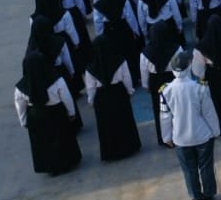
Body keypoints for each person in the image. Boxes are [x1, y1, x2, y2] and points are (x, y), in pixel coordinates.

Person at [159, 48, 220, 200]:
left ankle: (197, 199)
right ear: (189, 67)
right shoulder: (200, 87)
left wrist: (166, 137)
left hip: (181, 138)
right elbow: (209, 112)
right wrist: (215, 131)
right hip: (202, 135)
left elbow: (165, 116)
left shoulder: (166, 91)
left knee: (189, 170)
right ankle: (209, 197)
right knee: (206, 167)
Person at [83, 13, 142, 162]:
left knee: (107, 126)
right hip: (118, 93)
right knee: (124, 121)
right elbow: (127, 79)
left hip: (102, 97)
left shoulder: (90, 68)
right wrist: (129, 91)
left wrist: (91, 101)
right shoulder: (119, 61)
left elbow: (90, 88)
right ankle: (129, 147)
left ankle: (112, 152)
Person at [14, 47, 81, 176]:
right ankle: (66, 163)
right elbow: (67, 98)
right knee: (62, 138)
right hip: (57, 113)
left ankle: (51, 167)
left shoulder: (21, 87)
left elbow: (20, 106)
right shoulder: (57, 80)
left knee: (43, 143)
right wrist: (72, 113)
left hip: (36, 116)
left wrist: (24, 121)